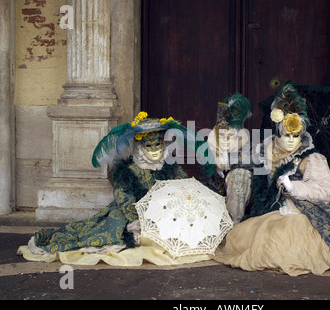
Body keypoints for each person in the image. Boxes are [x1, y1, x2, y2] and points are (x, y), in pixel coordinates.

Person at [213, 85, 330, 278]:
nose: (291, 141)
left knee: (279, 241)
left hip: (301, 211)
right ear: (277, 132)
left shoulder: (311, 157)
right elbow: (244, 164)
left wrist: (293, 186)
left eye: (295, 136)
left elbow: (324, 191)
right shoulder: (264, 150)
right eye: (286, 135)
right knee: (241, 234)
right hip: (266, 209)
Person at [19, 112, 212, 266]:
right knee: (111, 232)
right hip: (132, 214)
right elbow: (124, 198)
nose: (154, 150)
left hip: (164, 214)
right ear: (139, 146)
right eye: (148, 145)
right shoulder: (128, 171)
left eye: (158, 145)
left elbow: (184, 186)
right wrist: (137, 219)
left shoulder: (171, 167)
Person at [207, 93, 253, 224]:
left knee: (240, 175)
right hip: (215, 198)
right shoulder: (210, 151)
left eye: (231, 134)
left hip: (239, 208)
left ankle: (232, 228)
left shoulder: (245, 153)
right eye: (222, 134)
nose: (226, 138)